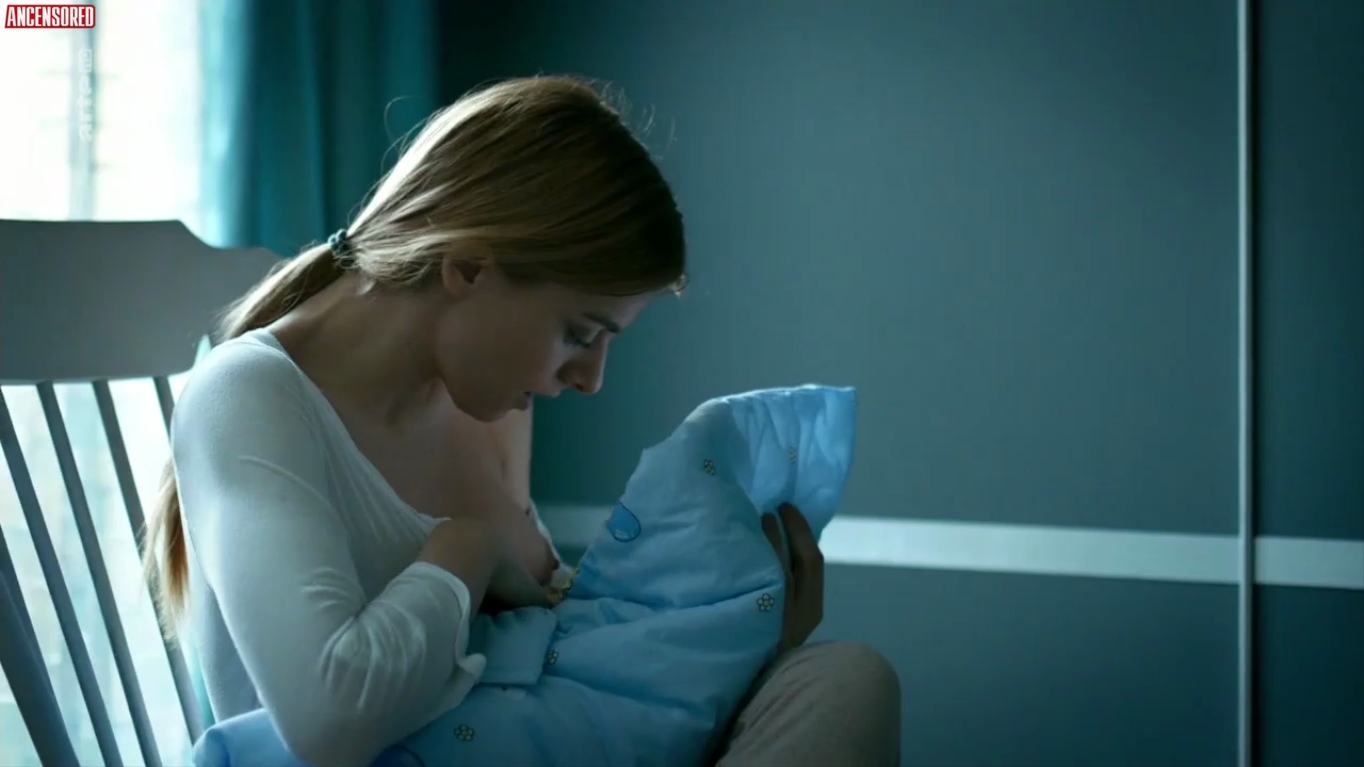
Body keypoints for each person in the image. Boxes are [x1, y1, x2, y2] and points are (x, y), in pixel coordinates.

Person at [143, 75, 901, 767]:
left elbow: (555, 652)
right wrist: (469, 547)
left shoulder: (488, 406)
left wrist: (741, 625)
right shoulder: (250, 396)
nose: (590, 379)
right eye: (578, 333)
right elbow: (329, 721)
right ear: (469, 267)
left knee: (844, 678)